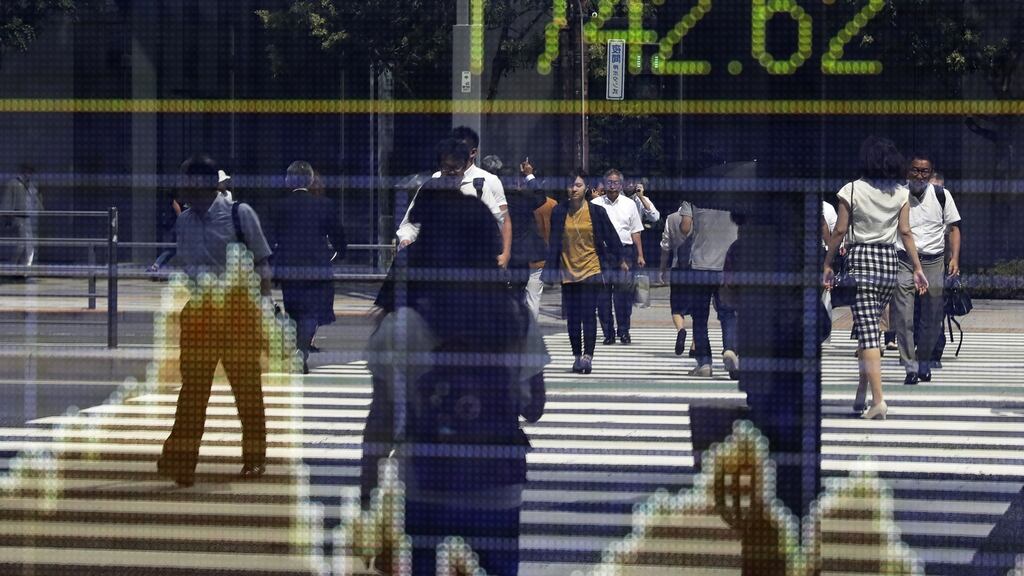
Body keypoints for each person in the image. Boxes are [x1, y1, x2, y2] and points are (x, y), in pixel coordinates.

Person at [360, 160, 547, 576]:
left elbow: (381, 422)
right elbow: (535, 406)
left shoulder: (402, 324)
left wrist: (368, 493)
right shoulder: (515, 318)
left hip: (427, 483)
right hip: (497, 484)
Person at [158, 154, 274, 486]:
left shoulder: (240, 214)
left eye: (186, 180)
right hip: (199, 315)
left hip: (238, 313)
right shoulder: (184, 221)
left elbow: (263, 262)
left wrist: (265, 308)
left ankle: (254, 460)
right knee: (193, 392)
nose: (181, 186)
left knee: (247, 391)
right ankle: (183, 462)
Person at [824, 137, 929, 421]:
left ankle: (878, 400)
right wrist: (917, 268)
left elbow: (839, 231)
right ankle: (861, 392)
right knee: (870, 329)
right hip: (889, 262)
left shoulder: (852, 189)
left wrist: (828, 263)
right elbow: (906, 233)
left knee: (869, 332)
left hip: (861, 260)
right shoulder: (900, 193)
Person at [543, 171, 626, 374]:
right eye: (570, 186)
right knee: (572, 318)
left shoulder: (596, 212)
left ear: (586, 188)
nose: (573, 189)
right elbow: (554, 242)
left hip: (591, 269)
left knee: (588, 315)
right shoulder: (559, 211)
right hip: (567, 271)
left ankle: (588, 356)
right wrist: (550, 270)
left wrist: (620, 260)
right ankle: (577, 356)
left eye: (578, 186)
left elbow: (612, 238)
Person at [890, 153, 962, 385]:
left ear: (930, 174)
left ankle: (923, 362)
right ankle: (910, 367)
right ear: (907, 171)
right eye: (915, 170)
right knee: (903, 315)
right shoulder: (897, 194)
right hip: (903, 260)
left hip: (933, 261)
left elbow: (954, 228)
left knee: (933, 316)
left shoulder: (942, 195)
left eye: (924, 171)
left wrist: (955, 258)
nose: (920, 175)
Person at [396, 126, 512, 269]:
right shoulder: (430, 187)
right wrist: (406, 239)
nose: (450, 173)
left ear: (464, 165)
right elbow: (410, 223)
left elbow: (499, 223)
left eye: (455, 167)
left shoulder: (481, 186)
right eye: (446, 167)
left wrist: (503, 255)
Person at [270, 161, 347, 374]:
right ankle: (301, 351)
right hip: (317, 266)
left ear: (288, 180)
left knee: (293, 311)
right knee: (312, 312)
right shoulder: (324, 205)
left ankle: (297, 348)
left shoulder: (279, 207)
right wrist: (340, 253)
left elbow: (272, 238)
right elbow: (338, 236)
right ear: (311, 179)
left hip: (288, 268)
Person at [681, 202, 739, 377]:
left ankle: (704, 363)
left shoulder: (693, 197)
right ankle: (730, 351)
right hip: (727, 264)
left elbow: (685, 228)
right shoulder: (734, 194)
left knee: (699, 317)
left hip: (700, 265)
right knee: (728, 314)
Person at [592, 169, 645, 344]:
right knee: (603, 295)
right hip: (603, 253)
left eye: (616, 183)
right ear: (604, 184)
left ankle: (624, 331)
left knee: (624, 295)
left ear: (621, 185)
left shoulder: (629, 204)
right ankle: (608, 333)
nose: (612, 186)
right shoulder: (596, 203)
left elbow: (635, 231)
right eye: (609, 182)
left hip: (625, 252)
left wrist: (640, 255)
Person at [501, 157, 549, 319]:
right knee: (532, 298)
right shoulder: (524, 198)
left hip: (510, 256)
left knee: (513, 295)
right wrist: (529, 175)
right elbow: (540, 196)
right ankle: (531, 332)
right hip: (532, 253)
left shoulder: (498, 202)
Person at [659, 200, 694, 356]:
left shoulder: (671, 218)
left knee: (676, 308)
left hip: (677, 268)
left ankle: (681, 330)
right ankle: (695, 344)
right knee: (699, 309)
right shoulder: (701, 217)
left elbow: (665, 246)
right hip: (698, 268)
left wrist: (662, 269)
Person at [2, 163, 43, 271]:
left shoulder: (32, 185)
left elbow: (36, 199)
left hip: (29, 217)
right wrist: (7, 216)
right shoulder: (14, 183)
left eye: (31, 172)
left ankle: (26, 268)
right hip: (18, 216)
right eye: (28, 171)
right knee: (21, 244)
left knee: (29, 244)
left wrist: (41, 209)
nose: (29, 174)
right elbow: (7, 200)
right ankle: (14, 266)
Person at [148, 194, 183, 273]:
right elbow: (178, 211)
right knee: (172, 249)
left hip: (185, 227)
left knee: (173, 250)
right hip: (180, 227)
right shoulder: (177, 201)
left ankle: (156, 266)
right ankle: (156, 266)